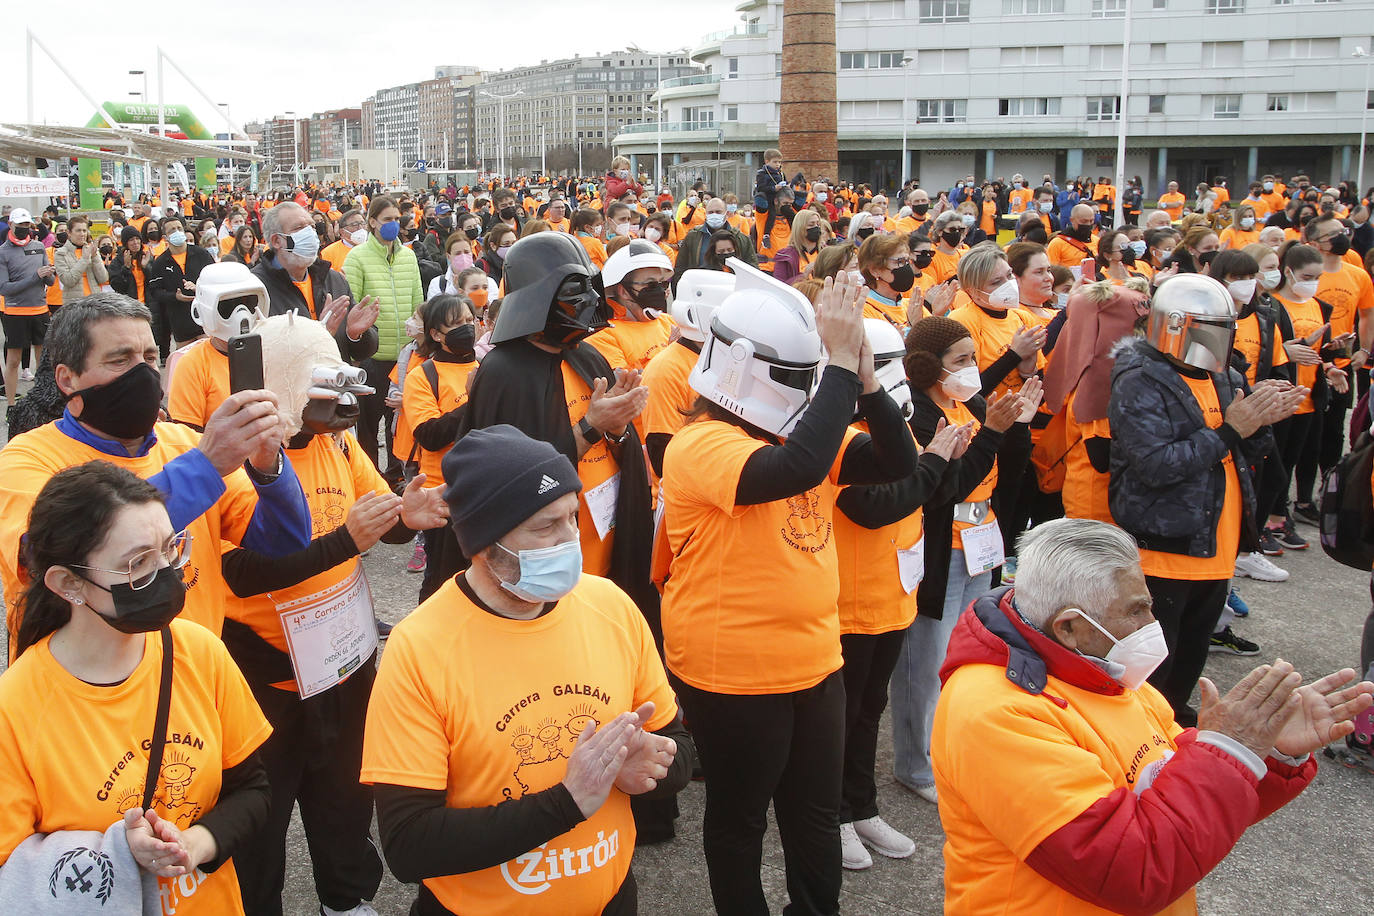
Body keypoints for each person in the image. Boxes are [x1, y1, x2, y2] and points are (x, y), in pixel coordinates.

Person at [932, 516, 1373, 916]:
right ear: (1068, 626)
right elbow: (1131, 870)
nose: (1152, 623)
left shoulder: (1106, 673)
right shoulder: (996, 710)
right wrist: (1228, 749)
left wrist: (1265, 750)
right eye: (1136, 610)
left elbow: (1181, 805)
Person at [661, 269, 917, 915]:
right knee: (739, 820)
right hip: (733, 672)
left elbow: (897, 461)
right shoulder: (698, 444)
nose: (811, 394)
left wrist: (861, 377)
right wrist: (833, 367)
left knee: (814, 814)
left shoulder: (799, 433)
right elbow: (794, 469)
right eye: (801, 379)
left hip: (813, 661)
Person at [361, 424, 694, 916]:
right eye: (544, 527)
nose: (570, 541)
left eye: (572, 517)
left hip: (612, 901)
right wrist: (568, 800)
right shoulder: (421, 648)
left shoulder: (611, 607)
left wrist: (648, 767)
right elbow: (410, 845)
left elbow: (680, 748)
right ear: (483, 543)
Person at [216, 315, 446, 916]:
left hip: (343, 656)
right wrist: (343, 543)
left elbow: (376, 515)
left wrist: (406, 515)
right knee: (262, 810)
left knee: (346, 792)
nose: (342, 407)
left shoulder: (337, 441)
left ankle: (345, 898)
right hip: (265, 671)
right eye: (325, 391)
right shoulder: (230, 460)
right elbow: (238, 571)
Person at [0, 461, 277, 915]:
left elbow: (252, 788)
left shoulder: (200, 653)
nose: (168, 573)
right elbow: (12, 866)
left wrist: (194, 844)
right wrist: (117, 850)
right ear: (68, 583)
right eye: (137, 563)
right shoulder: (14, 708)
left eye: (171, 549)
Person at [0, 293, 313, 653]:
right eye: (120, 359)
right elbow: (49, 553)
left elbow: (284, 540)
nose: (144, 372)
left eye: (150, 357)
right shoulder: (25, 459)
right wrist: (207, 466)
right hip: (81, 690)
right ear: (68, 379)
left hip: (192, 672)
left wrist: (268, 463)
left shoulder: (184, 444)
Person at [1109, 274, 1307, 724]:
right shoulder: (1140, 379)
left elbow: (1243, 451)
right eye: (1213, 329)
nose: (1223, 340)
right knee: (1152, 678)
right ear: (1176, 325)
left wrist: (1263, 422)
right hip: (1164, 554)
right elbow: (1156, 465)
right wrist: (1233, 428)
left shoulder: (1225, 375)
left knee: (1186, 672)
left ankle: (1175, 745)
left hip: (1214, 551)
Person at [834, 320, 971, 871]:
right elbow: (873, 507)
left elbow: (935, 496)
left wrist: (949, 456)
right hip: (846, 602)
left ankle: (860, 804)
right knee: (839, 718)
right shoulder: (840, 434)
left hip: (893, 596)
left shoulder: (901, 428)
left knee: (870, 709)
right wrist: (935, 459)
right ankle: (832, 815)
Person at [890, 317, 1034, 805]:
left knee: (971, 656)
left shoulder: (967, 403)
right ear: (929, 368)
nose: (973, 369)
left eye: (973, 358)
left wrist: (1018, 424)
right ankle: (914, 762)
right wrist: (993, 431)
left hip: (980, 540)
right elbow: (946, 488)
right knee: (925, 662)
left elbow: (1007, 468)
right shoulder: (919, 416)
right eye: (962, 361)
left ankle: (952, 745)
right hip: (941, 547)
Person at [948, 246, 1046, 561]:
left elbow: (1034, 375)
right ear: (973, 290)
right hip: (983, 428)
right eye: (994, 282)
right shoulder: (963, 320)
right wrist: (1014, 355)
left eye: (1008, 277)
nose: (1006, 286)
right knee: (990, 501)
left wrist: (1029, 364)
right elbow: (968, 389)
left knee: (1015, 500)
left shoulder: (1021, 316)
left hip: (1018, 424)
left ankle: (1006, 564)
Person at [403, 294, 482, 600]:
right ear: (436, 334)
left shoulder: (487, 366)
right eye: (456, 323)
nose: (467, 328)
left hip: (486, 489)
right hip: (443, 496)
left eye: (469, 321)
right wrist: (473, 402)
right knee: (441, 583)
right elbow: (429, 435)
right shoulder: (422, 376)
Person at [343, 195, 424, 482]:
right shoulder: (357, 257)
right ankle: (367, 478)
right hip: (371, 357)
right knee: (368, 425)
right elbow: (352, 305)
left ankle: (395, 476)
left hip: (403, 357)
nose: (393, 224)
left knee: (397, 423)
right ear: (373, 222)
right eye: (387, 219)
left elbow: (418, 300)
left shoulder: (409, 256)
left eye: (396, 219)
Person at [253, 202, 380, 365]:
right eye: (299, 228)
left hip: (336, 385)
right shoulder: (255, 290)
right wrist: (319, 334)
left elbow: (360, 352)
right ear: (277, 241)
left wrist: (355, 334)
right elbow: (262, 357)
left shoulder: (334, 279)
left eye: (311, 227)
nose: (309, 233)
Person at [591, 240, 677, 377]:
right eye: (650, 284)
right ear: (623, 291)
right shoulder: (603, 335)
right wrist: (672, 353)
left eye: (663, 283)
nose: (660, 290)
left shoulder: (670, 322)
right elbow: (627, 389)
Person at [0, 208, 55, 407]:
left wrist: (49, 274)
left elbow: (49, 280)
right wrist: (36, 276)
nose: (24, 228)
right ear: (11, 225)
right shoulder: (3, 251)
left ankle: (42, 401)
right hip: (15, 312)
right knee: (13, 361)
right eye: (20, 225)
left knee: (43, 361)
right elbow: (5, 288)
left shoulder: (39, 246)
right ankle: (12, 405)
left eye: (27, 225)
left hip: (40, 310)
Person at [147, 215, 215, 360]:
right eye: (172, 230)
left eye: (179, 228)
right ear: (165, 237)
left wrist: (199, 288)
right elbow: (155, 291)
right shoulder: (160, 262)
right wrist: (174, 296)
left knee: (208, 356)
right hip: (179, 320)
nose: (177, 232)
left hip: (204, 316)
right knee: (186, 359)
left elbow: (214, 280)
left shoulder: (201, 254)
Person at [673, 197, 758, 286]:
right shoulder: (693, 237)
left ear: (726, 214)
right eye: (710, 212)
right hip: (699, 291)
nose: (714, 215)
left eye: (718, 212)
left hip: (731, 290)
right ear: (706, 214)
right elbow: (680, 267)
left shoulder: (740, 238)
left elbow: (752, 268)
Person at [53, 216, 110, 305]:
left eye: (84, 230)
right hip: (75, 305)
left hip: (95, 303)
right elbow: (68, 281)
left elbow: (103, 279)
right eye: (78, 230)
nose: (82, 234)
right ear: (69, 232)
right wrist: (84, 259)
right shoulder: (60, 253)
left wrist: (95, 257)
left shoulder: (92, 250)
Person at [772, 208, 830, 286]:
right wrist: (804, 275)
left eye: (818, 224)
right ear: (800, 228)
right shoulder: (785, 256)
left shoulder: (827, 252)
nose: (816, 227)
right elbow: (779, 286)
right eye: (811, 224)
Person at [1047, 204, 1098, 271]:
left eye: (1091, 221)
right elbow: (1052, 270)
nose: (1088, 224)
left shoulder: (1097, 241)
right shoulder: (1057, 243)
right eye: (1084, 221)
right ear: (1072, 220)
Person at [928, 211, 969, 285]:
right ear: (939, 232)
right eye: (952, 230)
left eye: (960, 230)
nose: (957, 233)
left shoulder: (966, 255)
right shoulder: (931, 258)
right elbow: (932, 289)